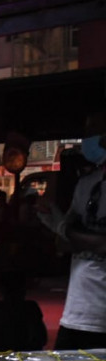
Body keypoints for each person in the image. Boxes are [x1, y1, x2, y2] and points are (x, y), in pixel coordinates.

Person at [43, 114, 106, 349]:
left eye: (94, 134)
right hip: (77, 315)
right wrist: (60, 225)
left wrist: (64, 229)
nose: (87, 141)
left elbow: (103, 245)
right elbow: (63, 242)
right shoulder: (86, 184)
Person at [0, 270, 47, 352]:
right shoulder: (31, 307)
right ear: (23, 289)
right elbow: (43, 338)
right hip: (23, 353)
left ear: (0, 290)